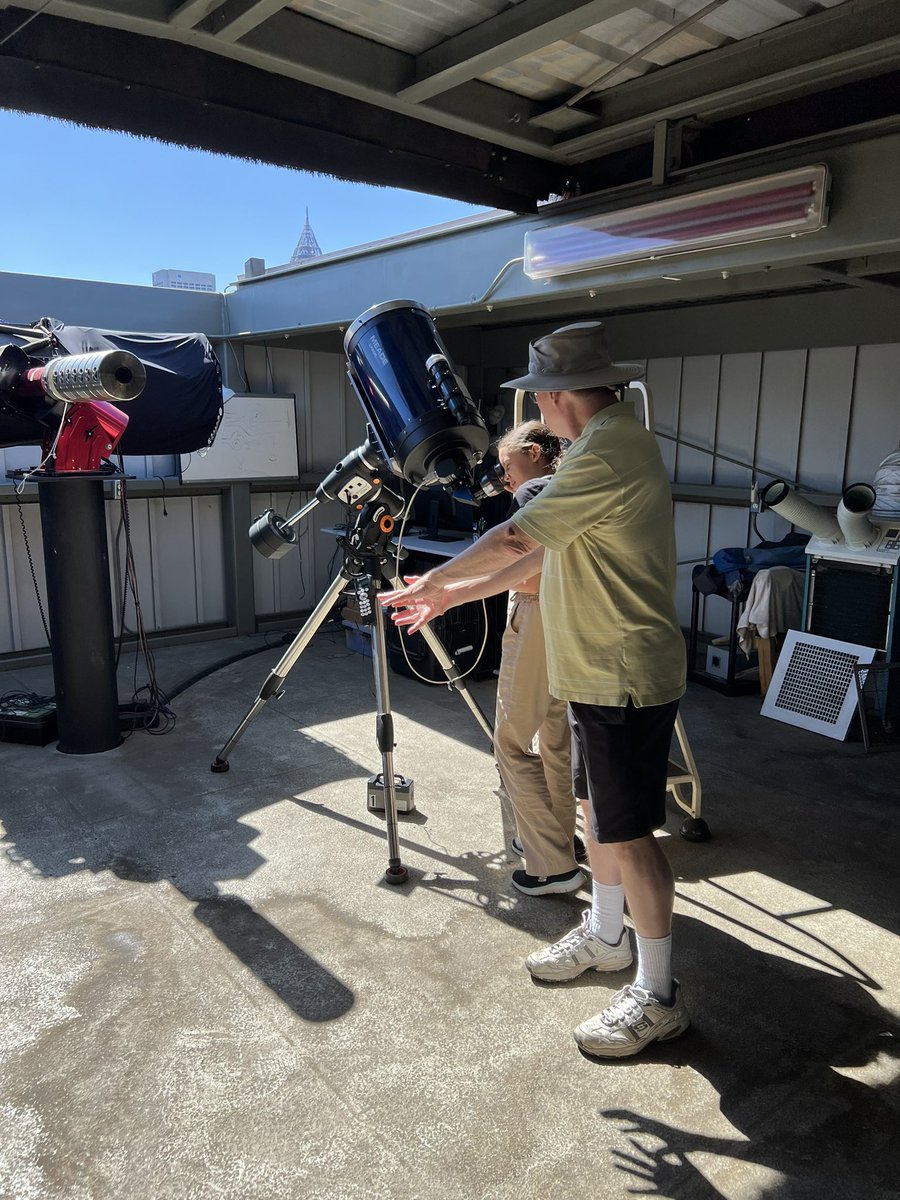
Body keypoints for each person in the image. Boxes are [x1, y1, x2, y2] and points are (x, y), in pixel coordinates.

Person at [381, 321, 689, 1060]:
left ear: (555, 397)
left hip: (622, 673)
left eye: (537, 400)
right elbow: (540, 555)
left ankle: (658, 994)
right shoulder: (596, 448)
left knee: (629, 834)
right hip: (591, 669)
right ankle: (609, 936)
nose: (536, 414)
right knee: (596, 813)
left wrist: (436, 578)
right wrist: (452, 597)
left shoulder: (610, 451)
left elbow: (519, 537)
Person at [486, 421, 586, 894]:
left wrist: (468, 580)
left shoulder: (532, 494)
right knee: (555, 739)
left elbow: (528, 575)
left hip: (536, 619)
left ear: (533, 451)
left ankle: (551, 864)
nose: (505, 478)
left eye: (508, 466)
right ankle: (562, 840)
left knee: (509, 742)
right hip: (570, 623)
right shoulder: (572, 486)